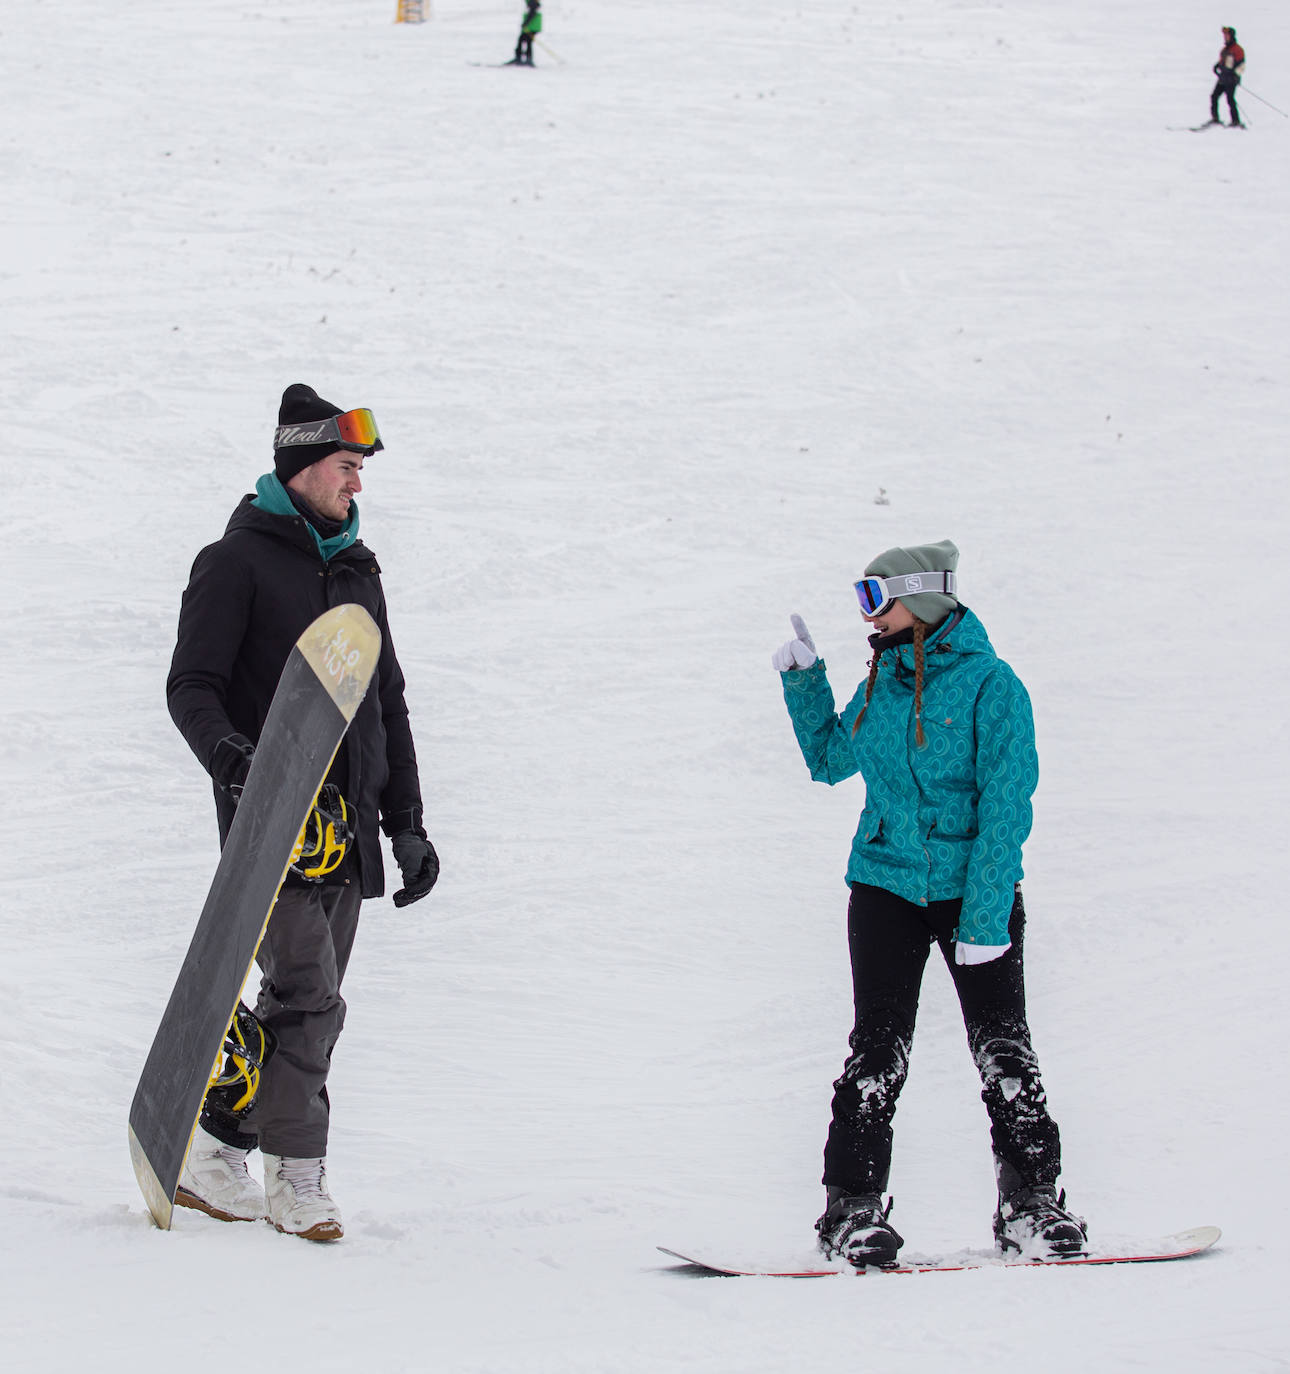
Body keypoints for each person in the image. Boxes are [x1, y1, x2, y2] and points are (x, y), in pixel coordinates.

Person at [166, 383, 440, 1242]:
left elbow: (385, 702)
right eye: (346, 468)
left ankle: (214, 1150)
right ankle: (298, 1178)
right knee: (311, 999)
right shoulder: (235, 561)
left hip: (349, 830)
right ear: (301, 466)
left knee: (299, 1003)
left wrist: (407, 823)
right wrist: (237, 765)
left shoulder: (359, 570)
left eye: (360, 471)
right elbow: (193, 688)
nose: (357, 485)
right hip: (271, 828)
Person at [772, 540, 1086, 1267]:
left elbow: (1006, 808)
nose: (867, 616)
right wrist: (804, 682)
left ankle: (1032, 1205)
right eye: (863, 599)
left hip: (973, 893)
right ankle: (851, 1213)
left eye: (876, 598)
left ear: (924, 600)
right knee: (876, 1053)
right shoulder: (883, 681)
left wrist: (983, 920)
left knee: (1004, 1053)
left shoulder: (992, 687)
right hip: (884, 886)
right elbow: (829, 760)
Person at [1209, 26, 1246, 127]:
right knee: (1214, 96)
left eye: (1227, 35)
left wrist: (1235, 75)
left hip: (1231, 80)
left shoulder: (1238, 50)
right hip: (1223, 78)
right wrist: (1217, 66)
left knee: (1230, 99)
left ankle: (1235, 121)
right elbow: (1223, 62)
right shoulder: (1224, 50)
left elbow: (1241, 66)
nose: (1225, 37)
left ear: (1232, 36)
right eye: (1224, 35)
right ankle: (1215, 118)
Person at [513, 0, 542, 66]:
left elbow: (532, 13)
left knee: (525, 40)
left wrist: (525, 23)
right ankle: (524, 58)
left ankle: (522, 58)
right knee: (524, 40)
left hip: (532, 26)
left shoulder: (532, 1)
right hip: (533, 26)